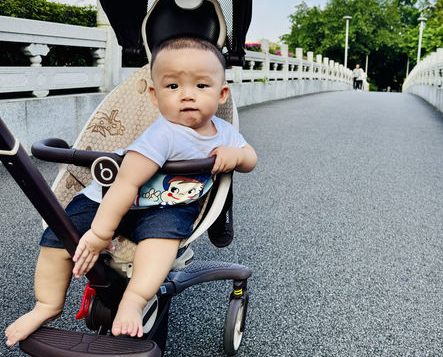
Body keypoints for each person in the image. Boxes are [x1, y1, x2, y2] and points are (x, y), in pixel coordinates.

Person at [5, 36, 258, 345]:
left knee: (161, 243)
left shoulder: (227, 132)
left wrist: (237, 156)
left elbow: (250, 158)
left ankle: (134, 299)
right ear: (154, 95)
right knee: (59, 239)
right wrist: (99, 235)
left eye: (201, 86)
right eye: (173, 87)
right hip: (110, 201)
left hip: (169, 207)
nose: (187, 95)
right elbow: (126, 185)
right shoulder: (162, 134)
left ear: (222, 94)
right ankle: (47, 304)